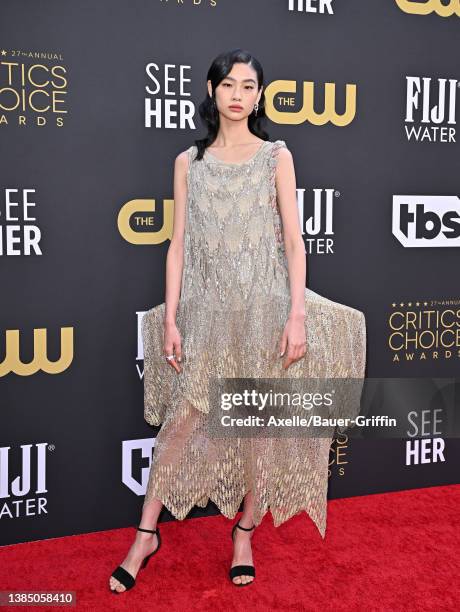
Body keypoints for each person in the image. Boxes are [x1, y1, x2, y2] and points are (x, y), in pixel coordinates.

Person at [109, 48, 366, 593]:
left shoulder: (276, 155)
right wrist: (172, 318)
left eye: (249, 86)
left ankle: (244, 532)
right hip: (204, 316)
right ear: (211, 90)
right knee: (180, 425)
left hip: (266, 311)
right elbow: (177, 245)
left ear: (259, 96)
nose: (238, 95)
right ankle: (145, 533)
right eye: (229, 85)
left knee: (258, 429)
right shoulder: (188, 163)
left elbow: (295, 243)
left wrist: (296, 313)